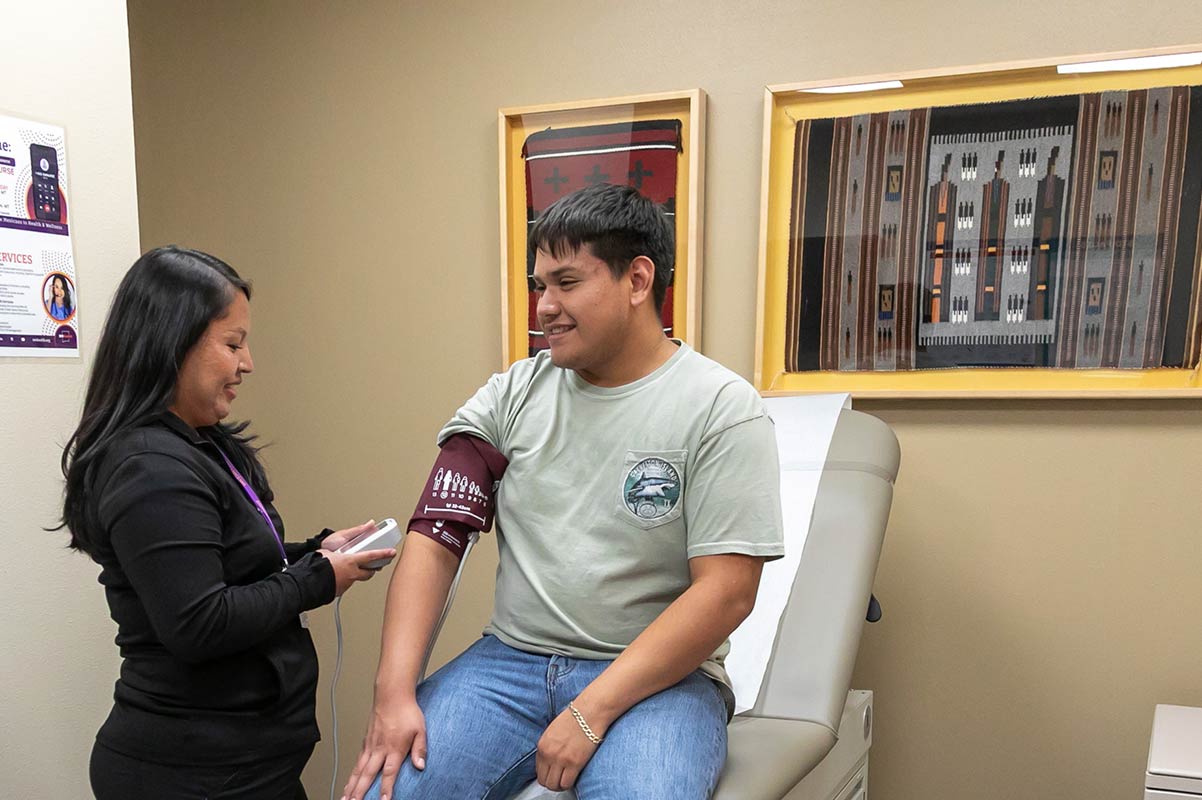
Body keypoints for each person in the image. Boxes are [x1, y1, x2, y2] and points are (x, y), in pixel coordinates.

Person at [342, 183, 784, 800]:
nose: (544, 307)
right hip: (509, 664)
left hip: (660, 683)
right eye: (538, 286)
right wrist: (393, 696)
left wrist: (590, 709)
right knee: (387, 792)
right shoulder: (511, 395)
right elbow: (435, 538)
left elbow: (728, 592)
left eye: (567, 283)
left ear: (636, 280)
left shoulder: (720, 409)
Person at [58, 246, 396, 800]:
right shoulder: (149, 468)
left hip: (245, 762)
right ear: (173, 344)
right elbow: (200, 623)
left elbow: (229, 563)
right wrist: (319, 578)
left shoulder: (200, 445)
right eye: (232, 344)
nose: (248, 363)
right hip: (190, 772)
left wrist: (318, 549)